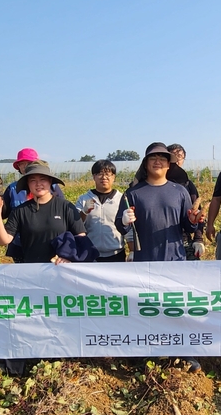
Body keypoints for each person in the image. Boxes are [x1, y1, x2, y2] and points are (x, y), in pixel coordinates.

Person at [115, 143, 204, 373]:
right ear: (145, 164)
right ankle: (151, 353)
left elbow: (188, 225)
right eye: (153, 158)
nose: (158, 162)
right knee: (149, 308)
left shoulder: (179, 191)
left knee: (177, 308)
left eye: (163, 159)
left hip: (174, 259)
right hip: (145, 260)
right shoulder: (133, 193)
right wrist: (124, 220)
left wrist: (193, 221)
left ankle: (184, 354)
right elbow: (120, 225)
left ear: (169, 165)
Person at [0, 161, 86, 264]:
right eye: (33, 180)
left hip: (60, 268)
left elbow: (81, 236)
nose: (38, 184)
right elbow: (3, 240)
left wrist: (70, 257)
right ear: (28, 184)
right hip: (32, 269)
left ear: (50, 181)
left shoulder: (66, 207)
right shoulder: (20, 211)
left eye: (43, 179)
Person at [0, 148, 65, 263]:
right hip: (19, 244)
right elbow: (4, 214)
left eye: (29, 163)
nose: (25, 166)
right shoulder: (13, 189)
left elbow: (62, 211)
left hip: (50, 244)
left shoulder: (52, 187)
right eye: (22, 164)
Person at [75, 160, 126, 262]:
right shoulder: (83, 199)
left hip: (116, 254)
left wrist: (132, 251)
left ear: (113, 177)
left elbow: (128, 228)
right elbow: (75, 225)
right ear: (94, 177)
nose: (104, 177)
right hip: (90, 253)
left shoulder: (121, 199)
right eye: (99, 174)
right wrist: (84, 212)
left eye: (108, 174)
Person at [166, 143, 205, 261]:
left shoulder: (187, 184)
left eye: (180, 156)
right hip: (157, 238)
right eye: (173, 156)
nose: (177, 160)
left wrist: (198, 239)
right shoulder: (155, 183)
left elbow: (198, 213)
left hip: (183, 238)